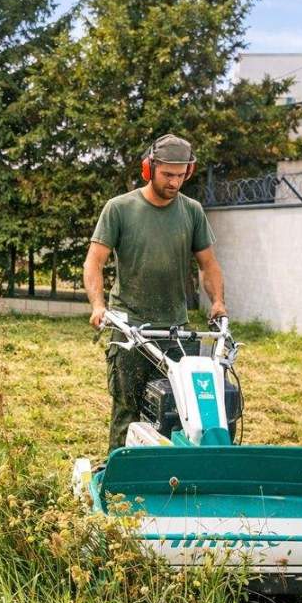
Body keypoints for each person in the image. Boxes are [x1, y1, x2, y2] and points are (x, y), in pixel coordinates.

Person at [83, 133, 227, 452]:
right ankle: (117, 477)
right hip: (129, 326)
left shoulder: (192, 211)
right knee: (127, 409)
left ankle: (167, 479)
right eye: (167, 175)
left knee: (179, 411)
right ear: (149, 169)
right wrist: (98, 305)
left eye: (181, 175)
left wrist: (217, 300)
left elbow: (209, 264)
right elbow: (94, 262)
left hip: (175, 330)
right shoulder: (119, 208)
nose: (174, 182)